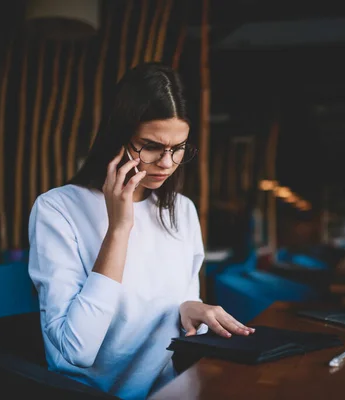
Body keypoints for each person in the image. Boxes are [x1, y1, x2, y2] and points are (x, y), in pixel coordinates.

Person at [27, 62, 254, 400]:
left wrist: (189, 309)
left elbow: (177, 318)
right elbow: (76, 351)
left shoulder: (182, 211)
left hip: (171, 390)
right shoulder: (57, 209)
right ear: (117, 138)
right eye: (150, 146)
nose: (167, 163)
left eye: (178, 149)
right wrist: (119, 228)